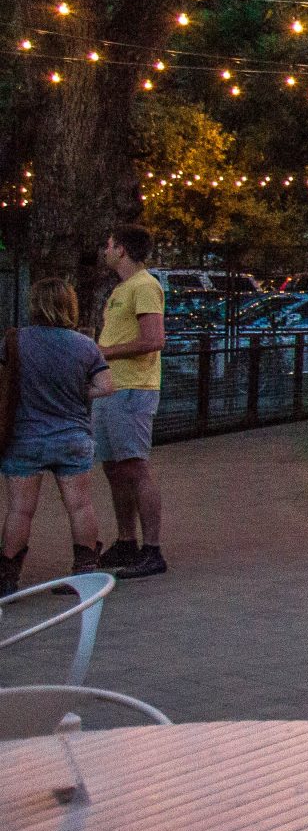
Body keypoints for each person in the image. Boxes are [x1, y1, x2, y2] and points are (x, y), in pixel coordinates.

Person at [2, 279, 114, 595]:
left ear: (34, 304)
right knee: (80, 506)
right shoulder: (84, 345)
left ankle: (8, 578)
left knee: (20, 510)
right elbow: (107, 387)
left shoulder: (15, 341)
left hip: (25, 438)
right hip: (73, 436)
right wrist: (79, 392)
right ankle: (85, 573)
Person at [93, 226, 168, 578]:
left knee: (135, 467)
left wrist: (104, 351)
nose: (105, 250)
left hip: (133, 388)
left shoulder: (145, 286)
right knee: (115, 469)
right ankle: (126, 540)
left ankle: (152, 550)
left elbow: (153, 339)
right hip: (112, 388)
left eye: (109, 245)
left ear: (121, 249)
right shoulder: (122, 289)